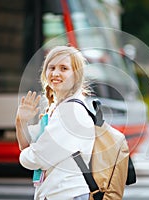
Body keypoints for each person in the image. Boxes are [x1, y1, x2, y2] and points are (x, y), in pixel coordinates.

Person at [15, 46, 95, 200]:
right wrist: (21, 121)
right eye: (51, 67)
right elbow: (28, 145)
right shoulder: (57, 108)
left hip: (67, 194)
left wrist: (24, 156)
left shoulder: (71, 112)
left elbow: (37, 157)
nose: (55, 73)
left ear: (76, 75)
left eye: (64, 68)